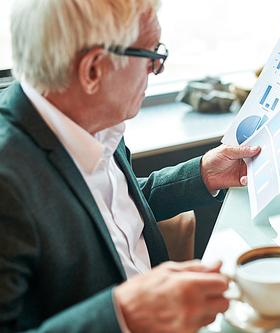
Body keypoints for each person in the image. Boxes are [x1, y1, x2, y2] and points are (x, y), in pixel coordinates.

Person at [0, 0, 260, 332]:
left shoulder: (94, 121)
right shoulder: (7, 183)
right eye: (152, 56)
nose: (157, 69)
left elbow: (110, 209)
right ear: (93, 69)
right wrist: (123, 314)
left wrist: (202, 174)